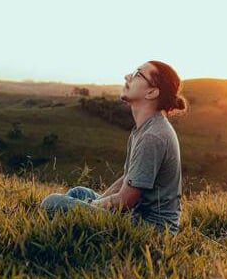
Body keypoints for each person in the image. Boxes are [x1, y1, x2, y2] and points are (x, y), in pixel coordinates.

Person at [40, 60, 188, 235]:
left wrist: (91, 207)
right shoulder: (146, 128)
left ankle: (71, 229)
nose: (128, 77)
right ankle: (73, 226)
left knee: (51, 203)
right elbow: (129, 178)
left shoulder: (152, 136)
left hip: (151, 230)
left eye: (138, 74)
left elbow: (125, 200)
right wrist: (96, 203)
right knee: (79, 193)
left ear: (152, 92)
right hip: (136, 216)